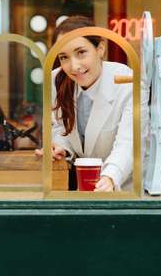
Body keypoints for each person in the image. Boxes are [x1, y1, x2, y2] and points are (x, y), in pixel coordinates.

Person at [35, 15, 133, 191]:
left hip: (123, 187)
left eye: (81, 53)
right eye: (64, 57)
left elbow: (129, 141)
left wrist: (111, 176)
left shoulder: (126, 80)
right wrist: (60, 148)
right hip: (82, 185)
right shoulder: (56, 79)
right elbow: (58, 127)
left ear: (100, 49)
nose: (73, 66)